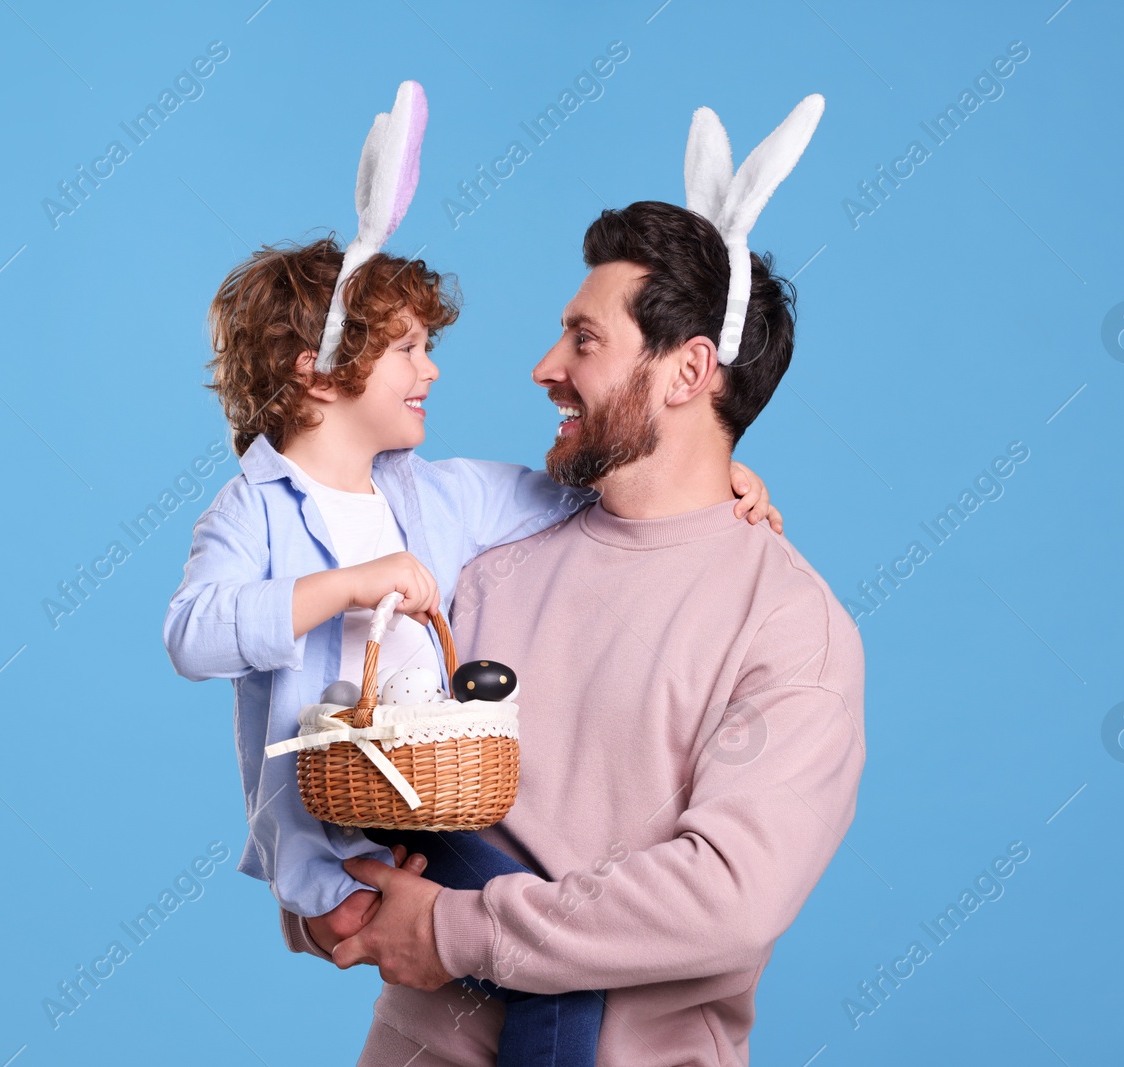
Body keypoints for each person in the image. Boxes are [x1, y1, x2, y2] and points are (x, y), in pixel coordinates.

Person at [162, 235, 783, 1066]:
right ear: (319, 373)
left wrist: (721, 477)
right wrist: (349, 585)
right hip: (351, 801)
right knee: (553, 966)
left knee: (541, 959)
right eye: (410, 349)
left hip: (419, 799)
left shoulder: (434, 494)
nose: (433, 369)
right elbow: (193, 634)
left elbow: (575, 487)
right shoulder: (252, 509)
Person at [282, 201, 867, 1066]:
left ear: (688, 370)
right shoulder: (486, 560)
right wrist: (319, 898)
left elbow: (727, 896)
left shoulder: (788, 625)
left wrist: (453, 930)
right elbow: (367, 764)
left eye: (584, 340)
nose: (545, 367)